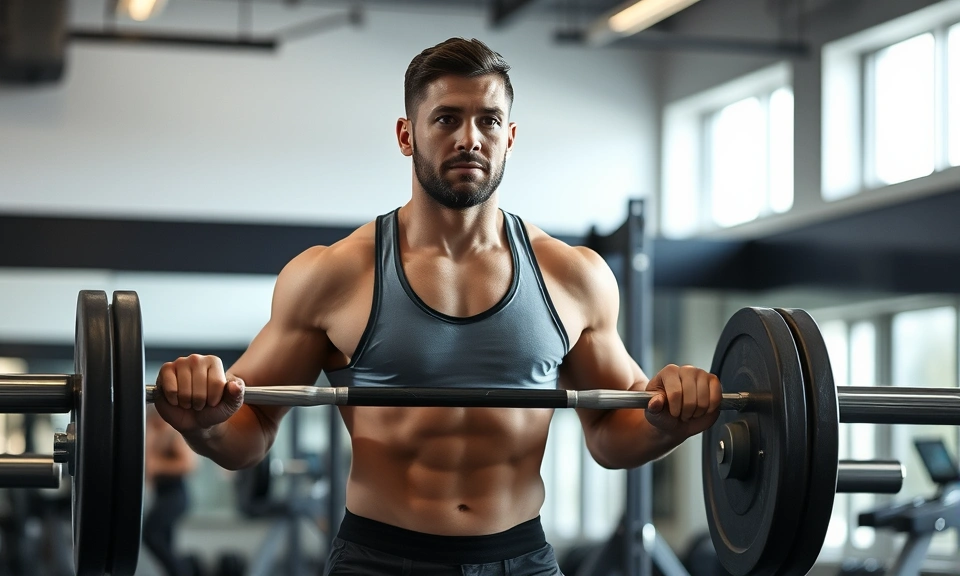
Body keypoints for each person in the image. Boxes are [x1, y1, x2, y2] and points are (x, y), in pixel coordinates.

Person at [153, 37, 722, 575]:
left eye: (488, 120)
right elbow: (250, 429)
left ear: (510, 137)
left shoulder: (574, 277)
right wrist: (204, 426)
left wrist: (671, 420)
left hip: (520, 556)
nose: (469, 138)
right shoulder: (333, 275)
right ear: (407, 135)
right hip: (378, 559)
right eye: (447, 118)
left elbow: (611, 432)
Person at [143, 404, 198, 576]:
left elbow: (189, 465)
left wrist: (159, 466)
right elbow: (148, 471)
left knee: (150, 534)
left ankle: (182, 572)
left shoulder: (172, 435)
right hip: (163, 495)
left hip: (176, 495)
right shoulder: (156, 437)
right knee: (165, 543)